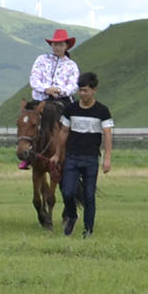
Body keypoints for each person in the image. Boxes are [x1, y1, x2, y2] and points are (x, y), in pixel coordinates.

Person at [58, 71, 113, 237]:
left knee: (89, 196)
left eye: (85, 90)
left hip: (90, 158)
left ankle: (88, 230)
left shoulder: (102, 111)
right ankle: (72, 216)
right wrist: (57, 153)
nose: (82, 94)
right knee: (67, 192)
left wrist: (107, 158)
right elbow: (63, 132)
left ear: (94, 90)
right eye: (80, 90)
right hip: (72, 157)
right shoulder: (70, 109)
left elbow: (108, 134)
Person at [29, 29, 79, 103]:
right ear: (52, 45)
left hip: (62, 100)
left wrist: (58, 90)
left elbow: (73, 86)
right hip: (39, 99)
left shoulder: (71, 65)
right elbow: (34, 79)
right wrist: (46, 89)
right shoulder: (42, 59)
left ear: (66, 46)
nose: (57, 47)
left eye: (61, 45)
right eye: (55, 44)